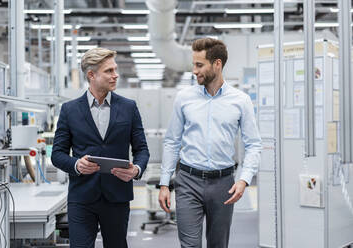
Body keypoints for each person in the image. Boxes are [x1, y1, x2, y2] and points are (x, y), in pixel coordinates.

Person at [158, 38, 262, 248]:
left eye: (199, 65)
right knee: (189, 245)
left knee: (218, 245)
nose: (194, 71)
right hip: (187, 181)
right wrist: (164, 183)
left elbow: (253, 144)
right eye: (193, 65)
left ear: (217, 64)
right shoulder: (184, 98)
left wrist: (243, 180)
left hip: (224, 183)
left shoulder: (240, 100)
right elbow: (172, 141)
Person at [51, 47, 149, 248]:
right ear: (91, 75)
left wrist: (136, 169)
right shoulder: (69, 110)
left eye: (115, 69)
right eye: (109, 71)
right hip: (82, 197)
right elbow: (57, 154)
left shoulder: (128, 107)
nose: (116, 75)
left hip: (117, 196)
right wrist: (77, 164)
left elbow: (142, 149)